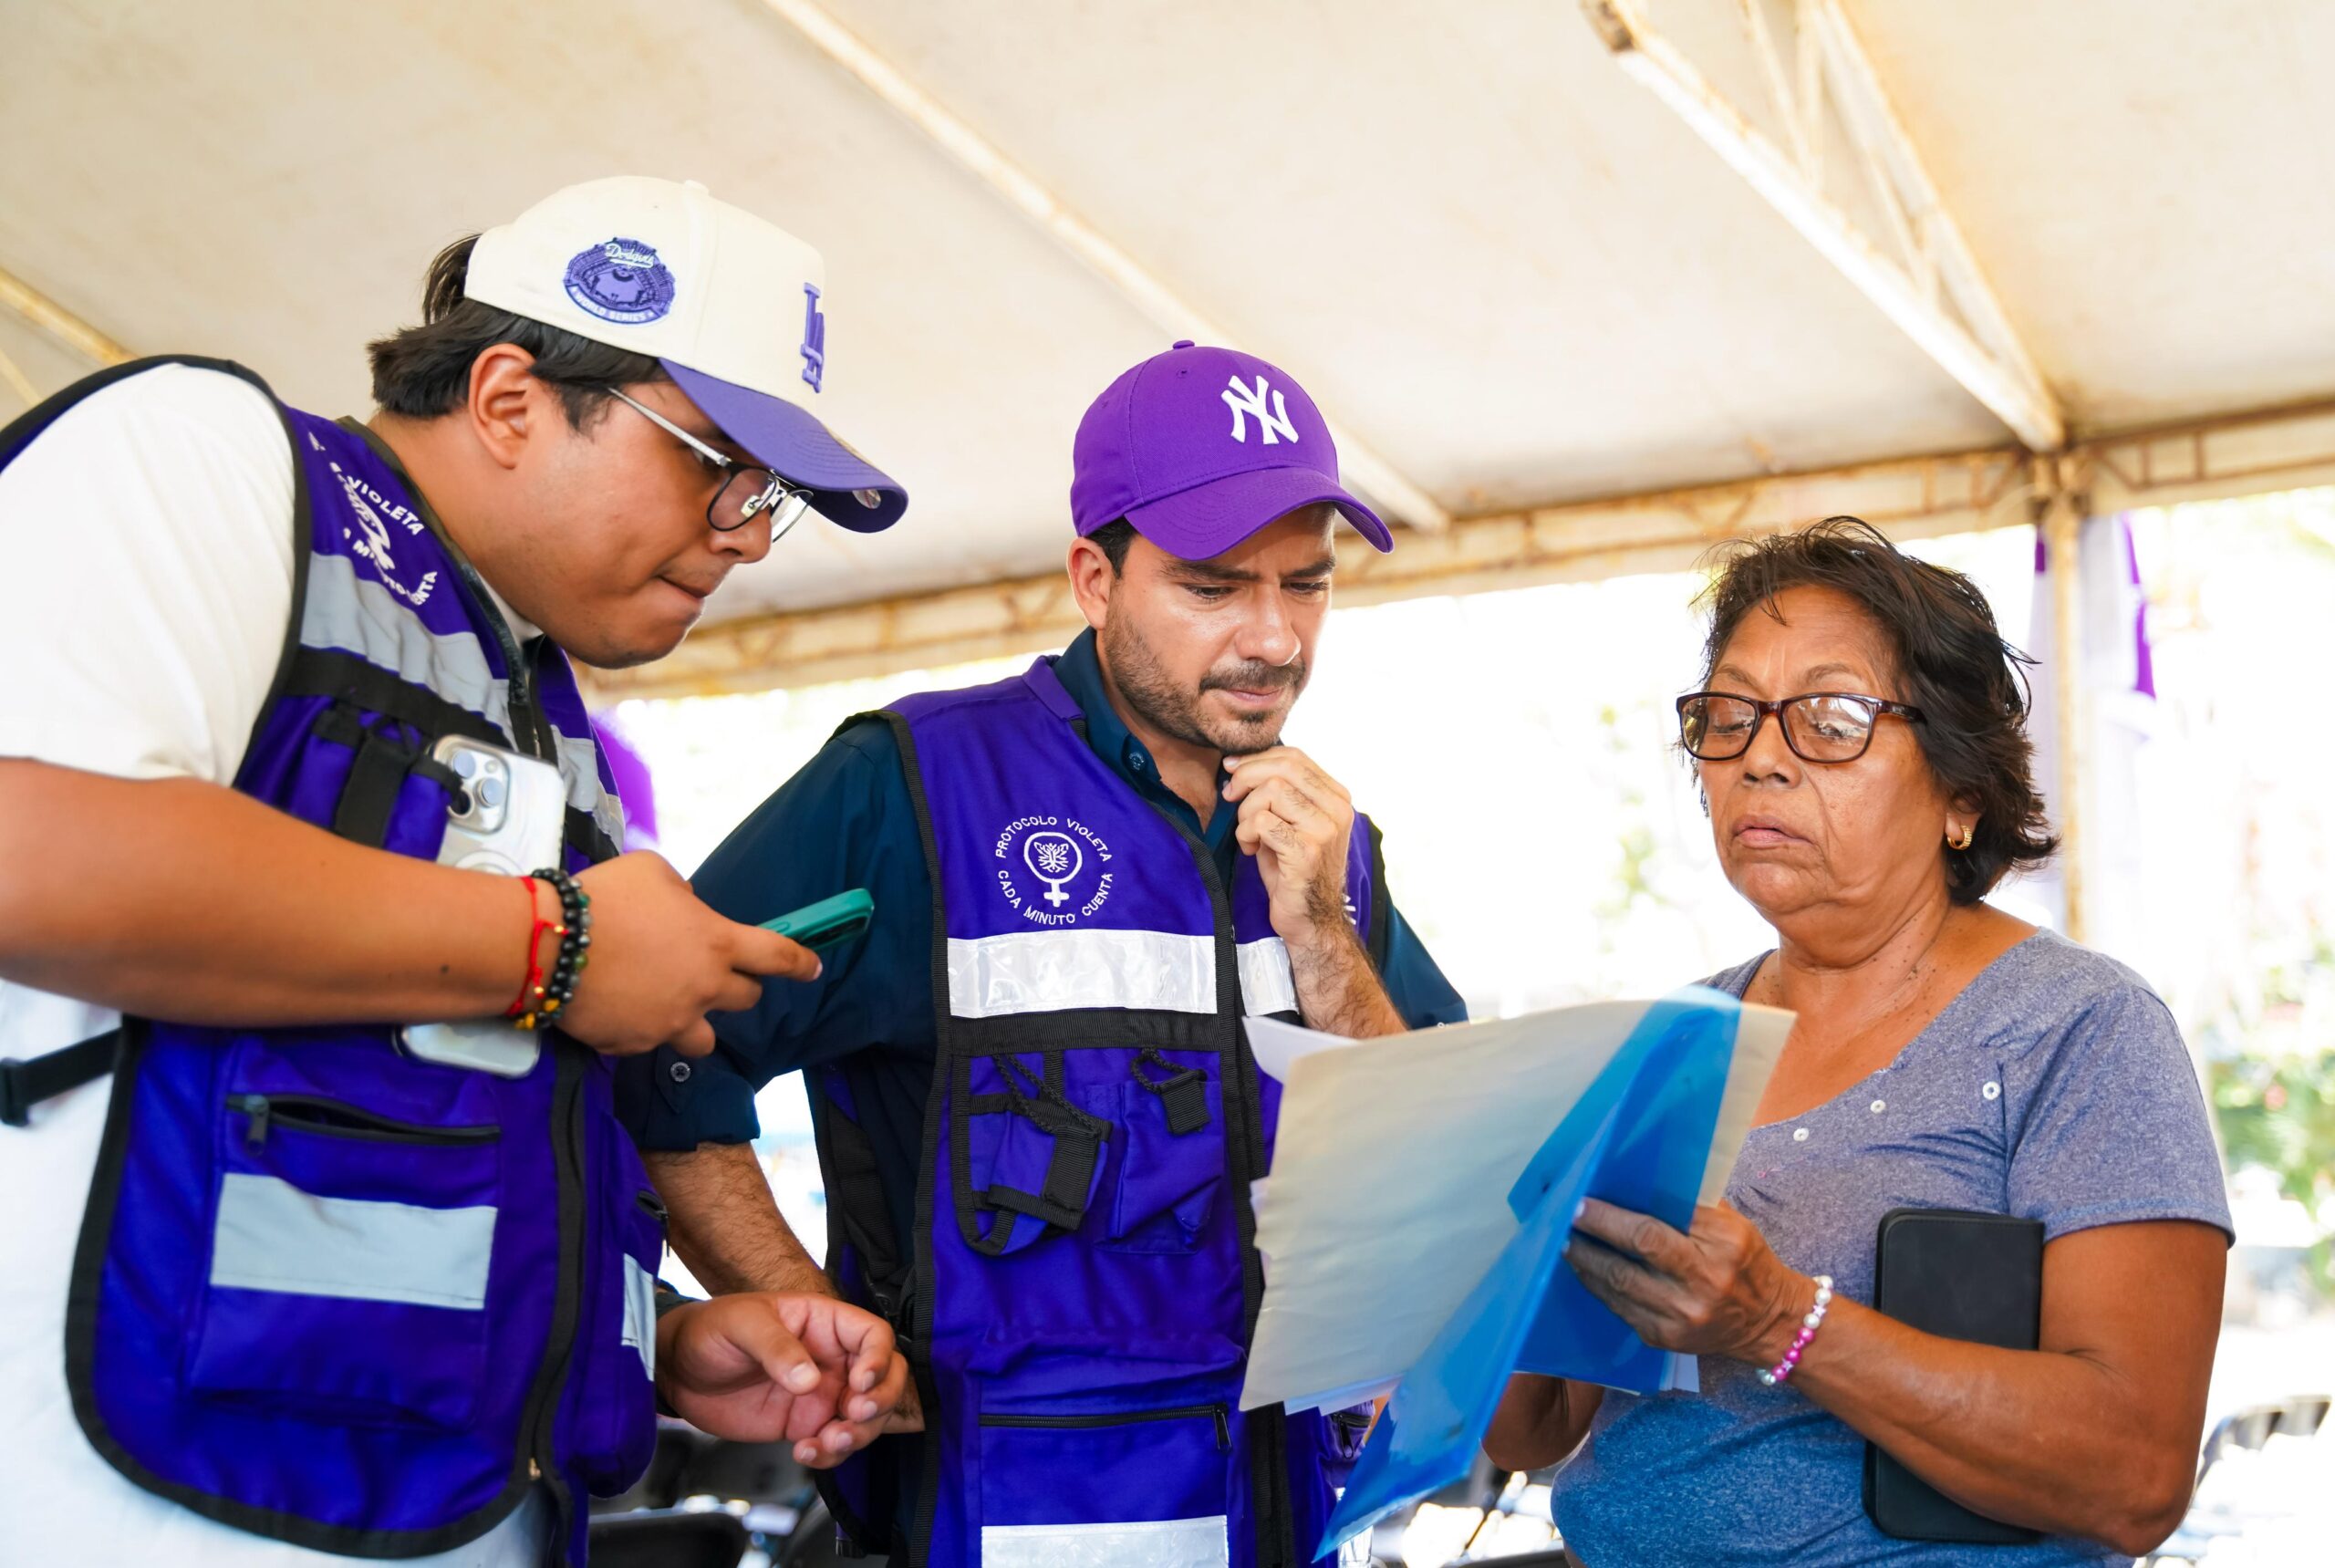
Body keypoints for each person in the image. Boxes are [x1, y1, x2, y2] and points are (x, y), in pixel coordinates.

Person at [0, 176, 913, 1566]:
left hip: (454, 1505)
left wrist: (652, 1338)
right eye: (715, 462)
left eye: (768, 497)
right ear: (506, 397)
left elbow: (432, 1109)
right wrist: (554, 946)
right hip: (122, 1496)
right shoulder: (211, 455)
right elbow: (29, 847)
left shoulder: (548, 713)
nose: (741, 532)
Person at [618, 340, 1468, 1565]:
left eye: (1307, 582)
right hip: (1001, 1511)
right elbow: (666, 1060)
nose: (1274, 635)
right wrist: (813, 1324)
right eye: (1215, 586)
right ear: (1095, 577)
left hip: (1292, 1518)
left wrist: (1325, 930)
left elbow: (1453, 1155)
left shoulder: (1331, 840)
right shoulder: (908, 786)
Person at [1486, 518, 2231, 1565]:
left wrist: (1779, 1321)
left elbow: (2136, 1477)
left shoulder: (2077, 1028)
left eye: (1829, 719)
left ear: (1961, 793)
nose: (1761, 760)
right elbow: (1532, 1428)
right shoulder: (1666, 1046)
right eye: (1730, 715)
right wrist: (1484, 1236)